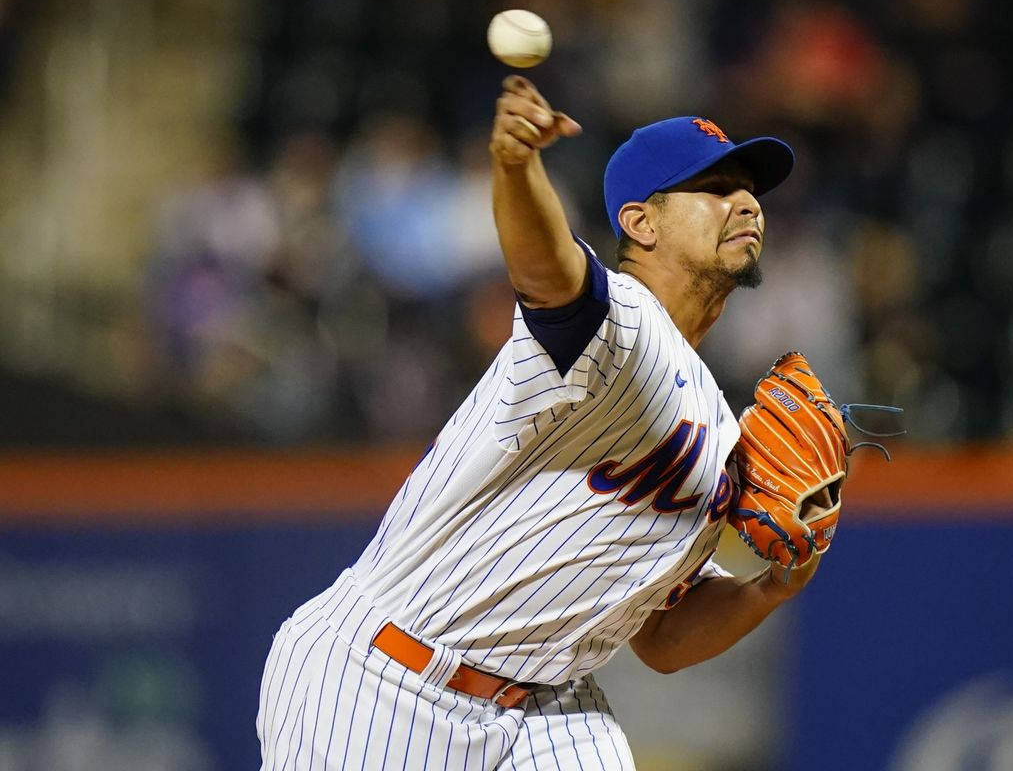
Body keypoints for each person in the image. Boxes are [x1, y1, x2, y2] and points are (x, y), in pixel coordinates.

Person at [257, 75, 829, 770]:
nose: (745, 202)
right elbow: (547, 270)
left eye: (749, 188)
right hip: (384, 681)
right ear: (641, 223)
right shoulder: (618, 324)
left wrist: (773, 586)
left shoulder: (719, 428)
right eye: (713, 187)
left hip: (546, 706)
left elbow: (663, 640)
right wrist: (515, 167)